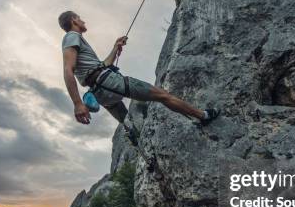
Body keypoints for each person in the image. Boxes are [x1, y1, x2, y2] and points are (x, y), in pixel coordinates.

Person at [59, 10, 219, 144]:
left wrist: (115, 47)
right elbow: (68, 70)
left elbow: (103, 64)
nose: (83, 20)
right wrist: (77, 103)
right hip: (109, 83)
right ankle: (202, 115)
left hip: (100, 92)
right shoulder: (72, 36)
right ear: (73, 20)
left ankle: (146, 155)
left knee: (129, 126)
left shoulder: (77, 43)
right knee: (163, 95)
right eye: (79, 18)